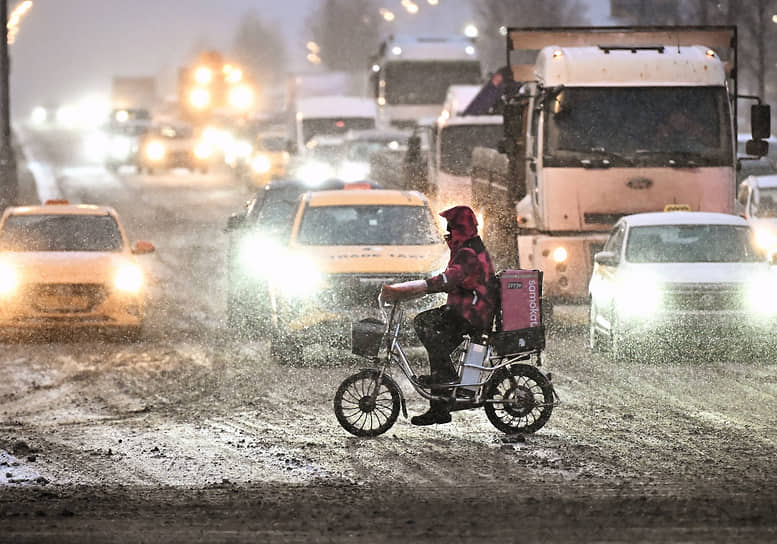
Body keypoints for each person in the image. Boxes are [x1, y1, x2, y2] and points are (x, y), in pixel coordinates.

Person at [380, 205, 498, 426]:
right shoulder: (466, 246)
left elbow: (449, 279)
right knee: (433, 338)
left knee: (431, 334)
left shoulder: (468, 252)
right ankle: (441, 401)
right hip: (466, 309)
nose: (448, 232)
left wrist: (411, 289)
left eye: (450, 227)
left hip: (473, 312)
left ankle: (445, 384)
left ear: (459, 228)